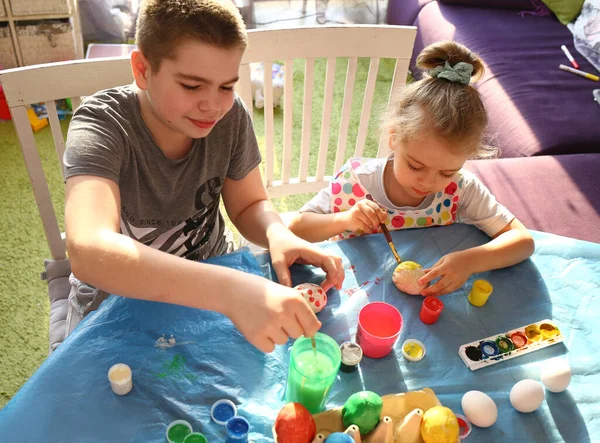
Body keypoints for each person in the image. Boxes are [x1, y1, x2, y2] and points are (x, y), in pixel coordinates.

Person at [63, 0, 344, 354]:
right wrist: (231, 291)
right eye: (193, 86)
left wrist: (277, 234)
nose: (213, 105)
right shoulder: (102, 126)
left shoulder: (229, 118)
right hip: (121, 296)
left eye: (226, 86)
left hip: (212, 266)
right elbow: (88, 250)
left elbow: (249, 205)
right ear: (142, 69)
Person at [288, 41, 534, 297]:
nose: (428, 182)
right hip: (357, 298)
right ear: (394, 137)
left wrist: (469, 261)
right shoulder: (355, 183)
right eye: (416, 166)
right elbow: (294, 229)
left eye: (447, 172)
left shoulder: (461, 189)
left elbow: (522, 242)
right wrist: (344, 219)